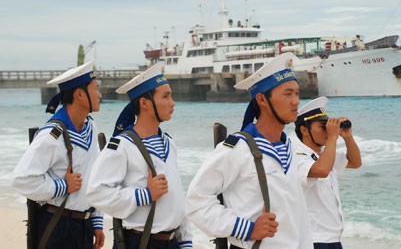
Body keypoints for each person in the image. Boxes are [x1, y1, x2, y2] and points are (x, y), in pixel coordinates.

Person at [185, 53, 313, 249]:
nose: (296, 101)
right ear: (262, 99)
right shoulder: (238, 149)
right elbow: (196, 202)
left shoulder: (288, 147)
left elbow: (299, 215)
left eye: (297, 93)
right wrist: (247, 229)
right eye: (288, 94)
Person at [86, 62, 193, 249]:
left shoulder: (169, 143)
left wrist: (186, 242)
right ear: (144, 102)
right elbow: (97, 193)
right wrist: (145, 194)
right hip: (141, 242)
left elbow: (177, 199)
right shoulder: (122, 145)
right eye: (166, 96)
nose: (172, 102)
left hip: (172, 242)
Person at [11, 60, 105, 249]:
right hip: (57, 225)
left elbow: (93, 175)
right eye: (95, 88)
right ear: (79, 94)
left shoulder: (90, 127)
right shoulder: (52, 135)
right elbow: (21, 179)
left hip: (83, 225)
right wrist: (63, 186)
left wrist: (96, 219)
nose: (100, 94)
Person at [294, 96, 362, 249]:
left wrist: (347, 137)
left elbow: (355, 162)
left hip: (332, 238)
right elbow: (322, 170)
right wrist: (332, 137)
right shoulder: (297, 157)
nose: (328, 130)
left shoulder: (325, 155)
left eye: (328, 126)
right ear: (304, 130)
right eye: (322, 126)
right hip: (312, 239)